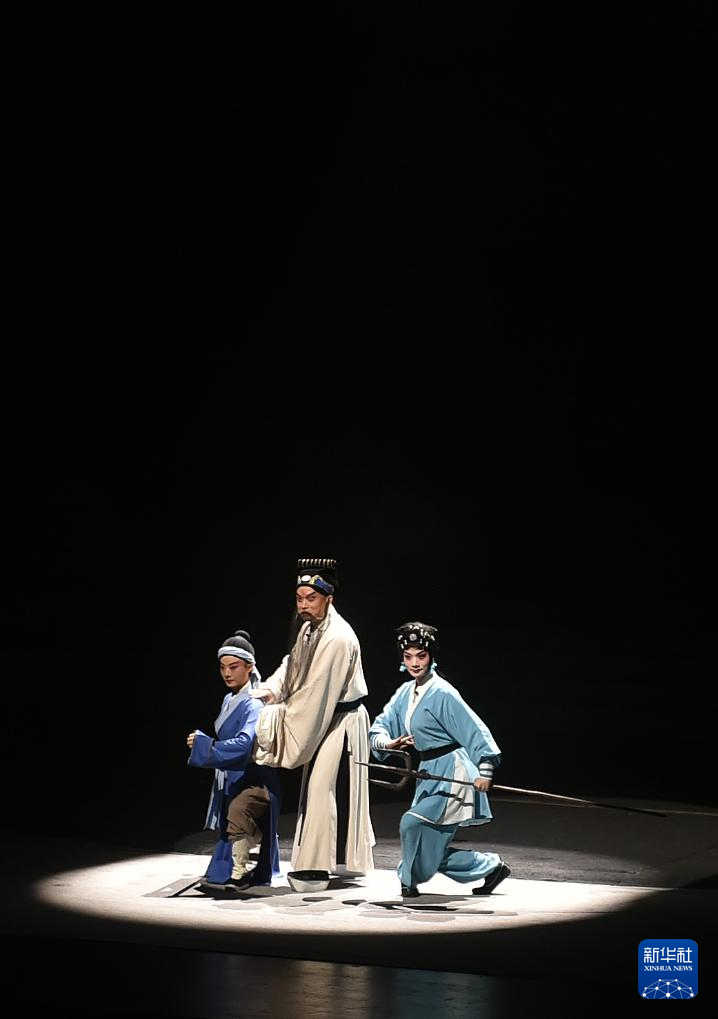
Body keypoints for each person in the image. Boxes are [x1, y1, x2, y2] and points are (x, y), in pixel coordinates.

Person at [250, 557, 375, 890]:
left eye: (311, 599)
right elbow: (292, 665)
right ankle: (321, 862)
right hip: (323, 715)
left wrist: (274, 718)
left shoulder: (337, 638)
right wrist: (271, 690)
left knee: (322, 789)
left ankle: (317, 868)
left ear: (328, 599)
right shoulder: (308, 628)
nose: (304, 605)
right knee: (315, 790)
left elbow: (314, 693)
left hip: (340, 721)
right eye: (299, 598)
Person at [368, 621, 511, 897]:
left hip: (453, 771)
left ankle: (408, 878)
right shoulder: (406, 693)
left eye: (421, 656)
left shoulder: (443, 692)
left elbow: (473, 728)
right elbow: (381, 725)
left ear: (431, 656)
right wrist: (388, 742)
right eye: (408, 656)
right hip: (428, 771)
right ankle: (490, 867)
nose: (414, 663)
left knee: (412, 824)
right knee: (430, 845)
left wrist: (485, 768)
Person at [187, 629, 282, 891]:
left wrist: (207, 745)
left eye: (234, 667)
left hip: (254, 776)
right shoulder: (229, 699)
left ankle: (240, 870)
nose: (227, 673)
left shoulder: (253, 703)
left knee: (238, 812)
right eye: (222, 667)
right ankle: (232, 866)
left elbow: (243, 745)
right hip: (233, 775)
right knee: (231, 819)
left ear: (249, 667)